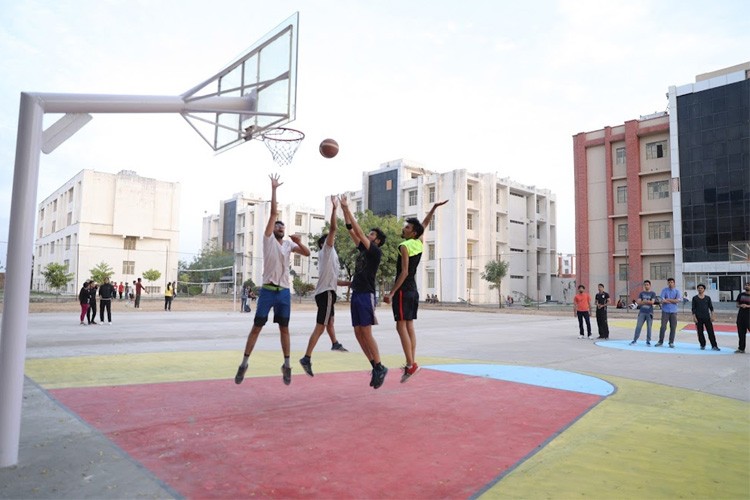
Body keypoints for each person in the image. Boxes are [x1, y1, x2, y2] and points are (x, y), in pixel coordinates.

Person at [234, 174, 311, 386]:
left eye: (282, 227)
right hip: (267, 291)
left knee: (284, 328)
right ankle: (244, 363)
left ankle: (286, 365)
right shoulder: (268, 240)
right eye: (277, 226)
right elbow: (274, 212)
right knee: (257, 326)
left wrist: (299, 241)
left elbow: (306, 253)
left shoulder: (288, 245)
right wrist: (274, 189)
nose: (280, 227)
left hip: (284, 291)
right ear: (272, 228)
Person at [384, 200, 448, 383]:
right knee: (409, 326)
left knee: (400, 326)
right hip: (414, 291)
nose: (404, 228)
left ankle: (411, 365)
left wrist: (392, 293)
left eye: (407, 227)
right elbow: (425, 224)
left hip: (404, 291)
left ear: (412, 232)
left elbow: (404, 272)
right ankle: (411, 362)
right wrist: (434, 208)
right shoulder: (418, 243)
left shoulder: (404, 246)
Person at [339, 193, 388, 389]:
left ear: (377, 241)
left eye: (372, 234)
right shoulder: (363, 251)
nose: (368, 235)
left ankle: (379, 365)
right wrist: (343, 210)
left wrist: (349, 208)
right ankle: (375, 366)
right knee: (358, 332)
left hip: (366, 294)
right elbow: (351, 230)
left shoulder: (375, 252)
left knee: (366, 332)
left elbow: (358, 232)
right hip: (357, 293)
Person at [299, 196, 352, 378]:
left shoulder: (331, 257)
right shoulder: (327, 249)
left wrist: (350, 284)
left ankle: (335, 343)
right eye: (330, 238)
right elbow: (333, 228)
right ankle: (306, 357)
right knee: (320, 327)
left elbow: (334, 280)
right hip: (326, 294)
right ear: (324, 243)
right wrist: (335, 208)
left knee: (330, 322)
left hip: (328, 292)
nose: (333, 238)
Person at [691, 284, 719, 351]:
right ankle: (702, 344)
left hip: (707, 317)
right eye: (699, 288)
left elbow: (711, 308)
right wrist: (694, 317)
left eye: (701, 288)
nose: (700, 289)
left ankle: (714, 346)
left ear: (704, 289)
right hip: (698, 318)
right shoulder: (695, 298)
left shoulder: (707, 298)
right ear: (697, 289)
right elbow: (693, 308)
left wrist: (713, 316)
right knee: (700, 332)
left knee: (711, 332)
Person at [630, 280, 657, 345]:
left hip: (649, 312)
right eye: (645, 285)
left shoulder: (653, 293)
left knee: (649, 327)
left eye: (647, 284)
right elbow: (638, 302)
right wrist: (647, 301)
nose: (646, 286)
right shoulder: (641, 293)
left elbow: (652, 302)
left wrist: (644, 301)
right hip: (642, 312)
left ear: (650, 285)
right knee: (638, 326)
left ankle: (648, 341)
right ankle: (635, 340)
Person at [656, 278, 681, 348]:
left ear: (674, 283)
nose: (670, 283)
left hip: (674, 312)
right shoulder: (664, 290)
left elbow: (678, 300)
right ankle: (660, 341)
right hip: (665, 311)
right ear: (667, 283)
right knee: (663, 327)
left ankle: (671, 342)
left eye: (672, 282)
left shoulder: (677, 291)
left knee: (673, 327)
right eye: (669, 282)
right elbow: (662, 300)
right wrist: (673, 300)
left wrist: (668, 299)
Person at [735, 282, 750, 354]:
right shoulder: (741, 295)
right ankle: (741, 348)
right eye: (746, 285)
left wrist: (747, 306)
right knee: (741, 333)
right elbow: (737, 304)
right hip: (741, 316)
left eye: (748, 285)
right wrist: (741, 305)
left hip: (749, 316)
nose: (746, 286)